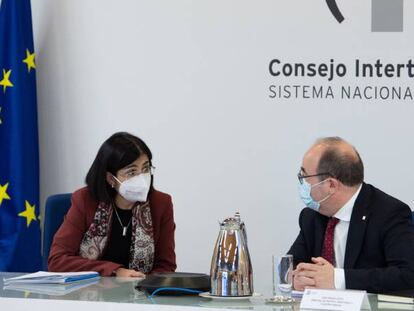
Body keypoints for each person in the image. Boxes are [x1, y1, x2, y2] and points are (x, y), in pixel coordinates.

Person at [288, 136, 414, 293]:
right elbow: (291, 265)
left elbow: (407, 275)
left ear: (331, 185)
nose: (302, 184)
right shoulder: (311, 216)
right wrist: (296, 278)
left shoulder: (389, 213)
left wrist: (337, 278)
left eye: (304, 177)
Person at [48, 132, 176, 277]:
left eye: (145, 169)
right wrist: (115, 271)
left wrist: (145, 286)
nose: (141, 178)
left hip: (140, 294)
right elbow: (57, 260)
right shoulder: (85, 200)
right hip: (88, 293)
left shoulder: (161, 204)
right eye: (132, 172)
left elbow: (166, 266)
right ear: (111, 178)